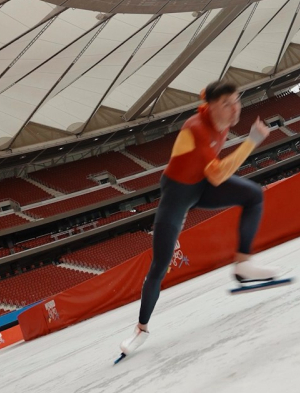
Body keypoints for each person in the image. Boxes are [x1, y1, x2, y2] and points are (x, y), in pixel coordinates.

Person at [118, 81, 280, 359]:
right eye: (227, 104)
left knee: (254, 195)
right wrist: (251, 141)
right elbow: (218, 174)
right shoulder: (195, 127)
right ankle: (141, 329)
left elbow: (212, 174)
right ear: (211, 106)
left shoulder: (224, 118)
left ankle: (242, 265)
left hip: (202, 186)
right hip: (178, 194)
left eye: (237, 100)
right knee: (159, 265)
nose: (235, 108)